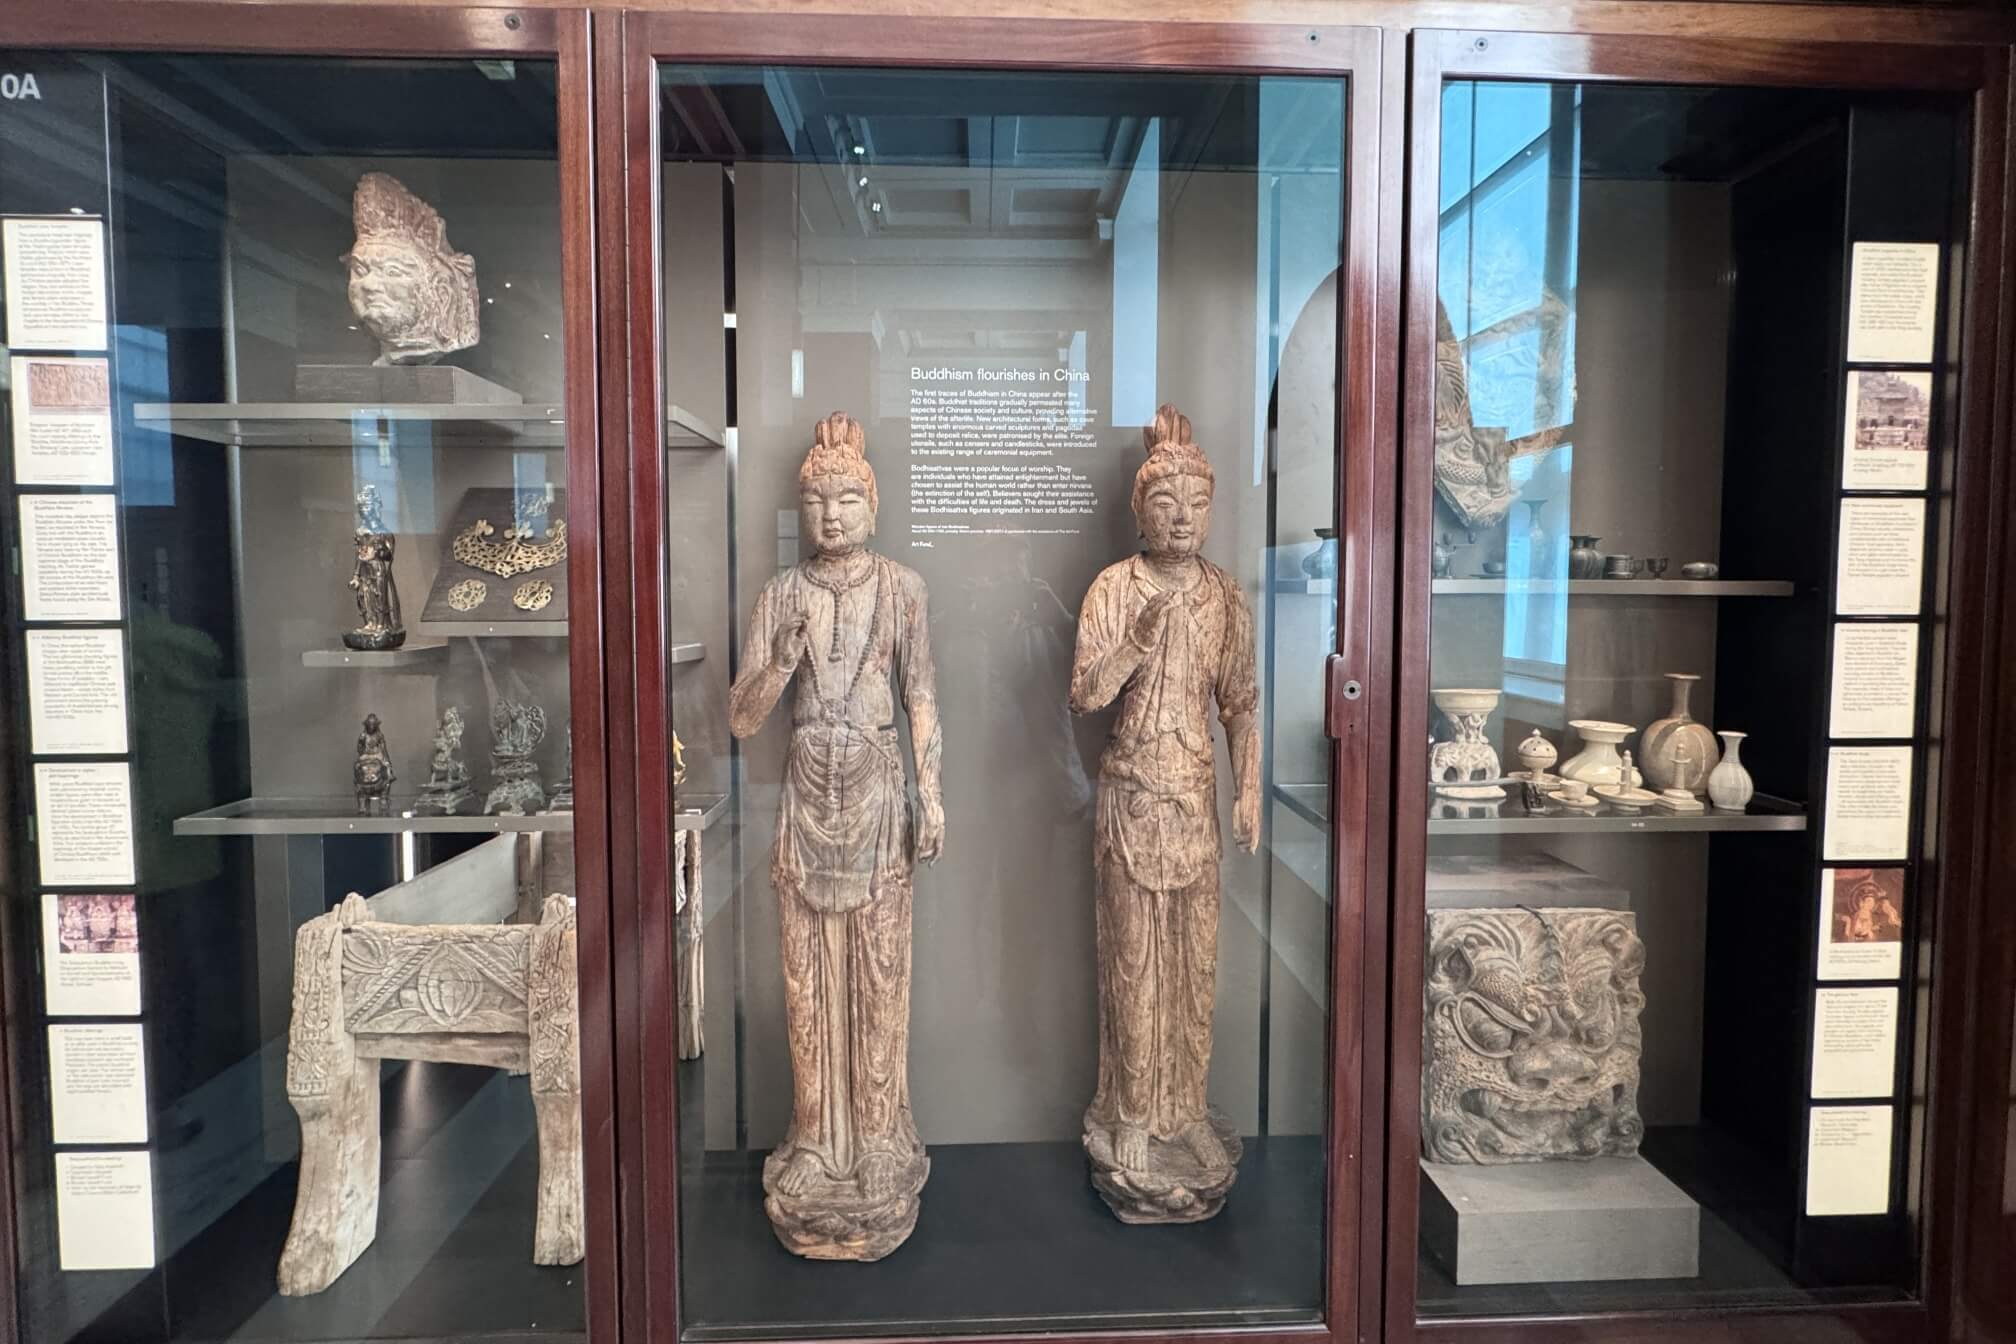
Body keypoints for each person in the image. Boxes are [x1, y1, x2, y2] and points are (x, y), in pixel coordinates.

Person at [727, 411, 943, 1260]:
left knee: (880, 969)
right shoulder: (782, 594)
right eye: (818, 499)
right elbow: (743, 719)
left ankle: (881, 1135)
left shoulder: (903, 588)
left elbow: (920, 696)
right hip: (807, 792)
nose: (832, 514)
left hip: (879, 790)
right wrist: (781, 660)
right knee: (808, 973)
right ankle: (817, 1136)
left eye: (848, 497)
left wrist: (933, 794)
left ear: (873, 505)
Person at [1070, 404, 1258, 1222]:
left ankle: (1185, 1114)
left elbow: (1241, 704)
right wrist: (1135, 640)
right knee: (1133, 964)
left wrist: (1248, 787)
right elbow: (1085, 695)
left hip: (1194, 802)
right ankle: (1132, 1116)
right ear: (1138, 510)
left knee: (1194, 966)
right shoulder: (1115, 588)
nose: (1182, 518)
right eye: (1164, 503)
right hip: (1130, 798)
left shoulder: (1225, 594)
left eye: (1197, 503)